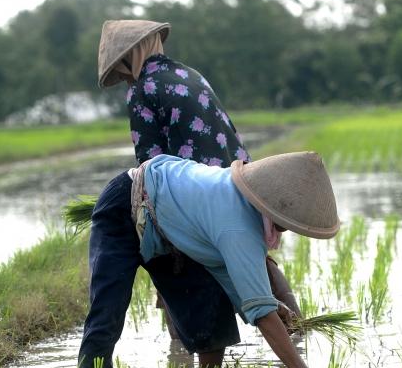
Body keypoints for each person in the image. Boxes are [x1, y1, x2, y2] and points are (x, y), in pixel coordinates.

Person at [96, 19, 302, 335]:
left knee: (174, 262)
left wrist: (155, 216)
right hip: (237, 178)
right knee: (253, 256)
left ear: (130, 56)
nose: (124, 77)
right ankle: (299, 327)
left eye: (122, 69)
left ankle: (184, 353)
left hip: (195, 187)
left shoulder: (143, 88)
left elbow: (149, 167)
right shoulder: (189, 73)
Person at [75, 151, 340, 368]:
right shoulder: (238, 227)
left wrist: (270, 303)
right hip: (126, 205)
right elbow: (262, 315)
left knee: (211, 323)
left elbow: (233, 281)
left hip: (171, 234)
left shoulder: (244, 210)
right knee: (108, 311)